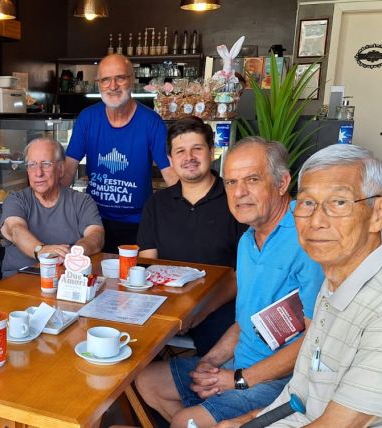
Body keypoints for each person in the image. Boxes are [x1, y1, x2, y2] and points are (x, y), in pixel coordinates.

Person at [217, 145, 382, 427]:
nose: (317, 221)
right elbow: (299, 394)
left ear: (378, 213)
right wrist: (246, 421)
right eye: (307, 203)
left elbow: (337, 424)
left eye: (339, 202)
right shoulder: (333, 288)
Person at [134, 137, 324, 428]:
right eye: (231, 182)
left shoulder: (309, 236)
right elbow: (243, 324)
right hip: (239, 364)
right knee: (148, 381)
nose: (239, 192)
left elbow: (315, 341)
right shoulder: (248, 240)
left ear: (282, 183)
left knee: (185, 421)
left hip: (282, 380)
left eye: (252, 179)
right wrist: (209, 363)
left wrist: (237, 380)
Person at [137, 117, 247, 356]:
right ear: (170, 160)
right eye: (180, 151)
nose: (189, 157)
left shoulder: (236, 201)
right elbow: (147, 262)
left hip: (218, 304)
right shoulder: (157, 203)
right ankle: (150, 379)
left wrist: (202, 310)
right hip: (165, 302)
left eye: (197, 148)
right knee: (131, 344)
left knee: (218, 355)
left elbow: (242, 273)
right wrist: (172, 310)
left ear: (212, 152)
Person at [61, 53, 178, 253]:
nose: (113, 86)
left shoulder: (151, 122)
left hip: (139, 223)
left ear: (132, 80)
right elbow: (68, 168)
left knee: (134, 272)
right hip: (93, 221)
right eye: (106, 79)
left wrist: (186, 214)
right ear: (98, 83)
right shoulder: (87, 118)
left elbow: (170, 174)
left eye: (120, 78)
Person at [0, 137, 104, 276]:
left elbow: (96, 236)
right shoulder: (16, 199)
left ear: (61, 169)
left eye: (46, 164)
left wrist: (75, 252)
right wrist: (41, 250)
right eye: (32, 165)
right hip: (20, 280)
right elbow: (15, 230)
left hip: (67, 279)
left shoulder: (82, 201)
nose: (38, 173)